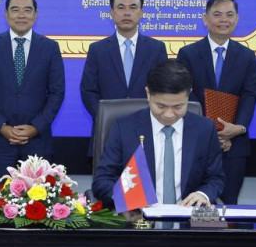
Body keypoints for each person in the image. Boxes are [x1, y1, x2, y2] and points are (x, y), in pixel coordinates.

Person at [93, 60, 224, 207]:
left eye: (177, 106)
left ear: (188, 95)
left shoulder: (205, 129)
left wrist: (202, 194)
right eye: (161, 106)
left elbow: (215, 178)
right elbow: (102, 181)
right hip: (138, 216)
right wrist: (129, 199)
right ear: (148, 94)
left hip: (187, 216)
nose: (169, 114)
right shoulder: (124, 128)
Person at [0, 0, 65, 188]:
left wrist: (36, 127)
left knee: (39, 201)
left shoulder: (50, 47)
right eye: (15, 10)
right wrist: (1, 126)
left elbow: (57, 93)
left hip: (38, 141)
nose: (21, 15)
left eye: (27, 10)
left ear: (36, 14)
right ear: (6, 14)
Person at [176, 0, 256, 204]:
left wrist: (237, 128)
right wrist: (213, 131)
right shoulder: (188, 54)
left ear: (236, 19)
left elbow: (249, 95)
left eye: (229, 15)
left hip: (234, 145)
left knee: (229, 206)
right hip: (197, 142)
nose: (224, 20)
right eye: (217, 14)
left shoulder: (247, 56)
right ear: (206, 19)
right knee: (194, 204)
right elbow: (186, 95)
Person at [80, 0, 167, 148]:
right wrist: (107, 116)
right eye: (121, 7)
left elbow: (163, 90)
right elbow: (88, 91)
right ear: (112, 13)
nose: (127, 13)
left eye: (133, 7)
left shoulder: (156, 49)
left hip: (148, 130)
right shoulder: (98, 50)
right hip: (107, 132)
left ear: (141, 12)